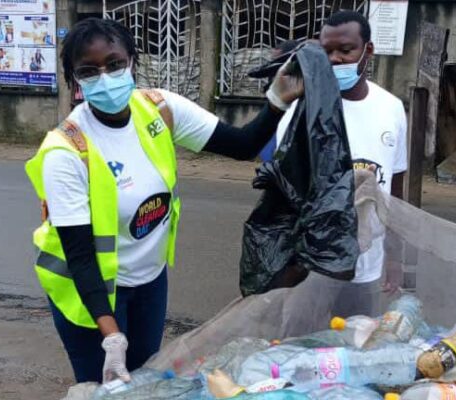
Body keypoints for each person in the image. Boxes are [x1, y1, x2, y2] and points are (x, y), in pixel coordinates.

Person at [25, 17, 302, 384]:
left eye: (114, 64)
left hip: (150, 281)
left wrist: (277, 99)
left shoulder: (159, 109)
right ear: (75, 80)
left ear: (132, 62)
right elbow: (80, 257)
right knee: (106, 391)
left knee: (147, 382)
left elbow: (242, 145)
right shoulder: (66, 151)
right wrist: (110, 335)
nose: (105, 77)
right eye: (88, 71)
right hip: (90, 296)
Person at [277, 10, 408, 334]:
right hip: (311, 265)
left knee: (354, 350)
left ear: (368, 51)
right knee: (297, 345)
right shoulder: (300, 110)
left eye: (345, 50)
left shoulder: (390, 108)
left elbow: (395, 189)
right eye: (326, 51)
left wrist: (394, 257)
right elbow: (281, 191)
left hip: (366, 265)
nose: (334, 59)